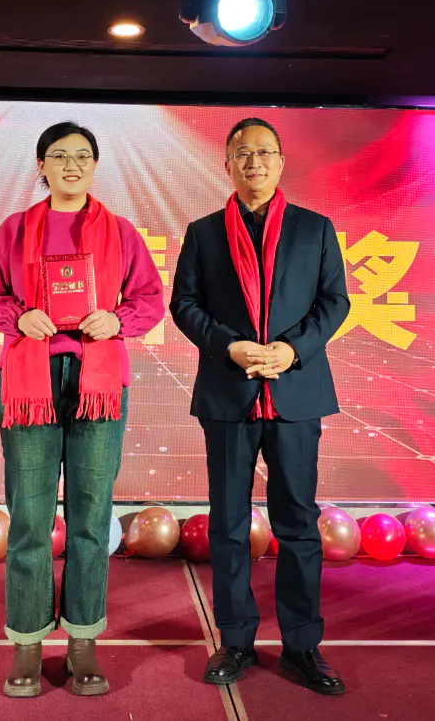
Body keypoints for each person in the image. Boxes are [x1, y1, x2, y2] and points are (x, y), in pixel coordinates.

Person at [0, 121, 165, 698]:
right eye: (59, 156)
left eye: (82, 156)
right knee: (29, 517)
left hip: (98, 379)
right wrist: (18, 317)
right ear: (41, 166)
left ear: (95, 166)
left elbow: (150, 298)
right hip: (29, 379)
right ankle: (27, 643)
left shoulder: (120, 232)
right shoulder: (15, 229)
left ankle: (82, 640)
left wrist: (117, 320)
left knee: (90, 515)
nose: (71, 165)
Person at [170, 118, 350, 695]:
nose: (254, 162)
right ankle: (236, 640)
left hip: (295, 390)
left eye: (264, 152)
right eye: (242, 153)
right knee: (227, 524)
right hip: (229, 391)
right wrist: (231, 345)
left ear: (281, 162)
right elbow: (185, 304)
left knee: (298, 523)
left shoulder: (314, 228)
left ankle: (302, 644)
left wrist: (291, 350)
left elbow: (334, 301)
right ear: (227, 163)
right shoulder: (203, 233)